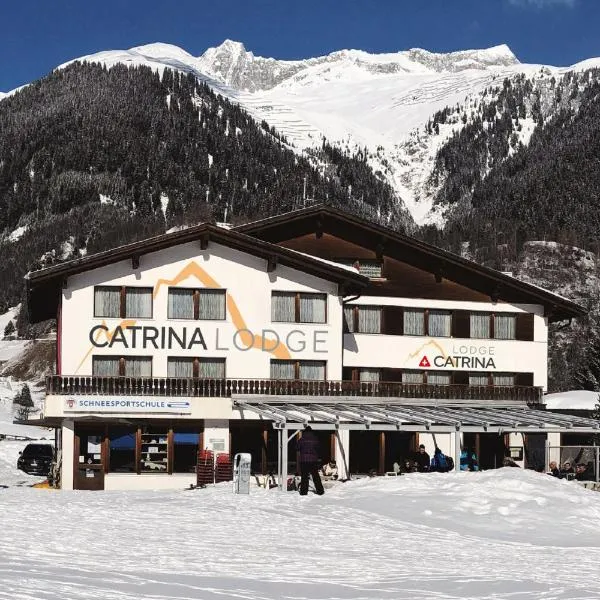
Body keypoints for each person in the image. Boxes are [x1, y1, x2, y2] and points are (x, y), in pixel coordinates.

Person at [296, 426, 324, 496]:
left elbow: (297, 448)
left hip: (304, 460)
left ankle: (303, 492)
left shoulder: (301, 439)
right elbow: (319, 448)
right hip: (313, 460)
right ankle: (320, 491)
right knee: (316, 476)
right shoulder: (315, 439)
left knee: (304, 477)